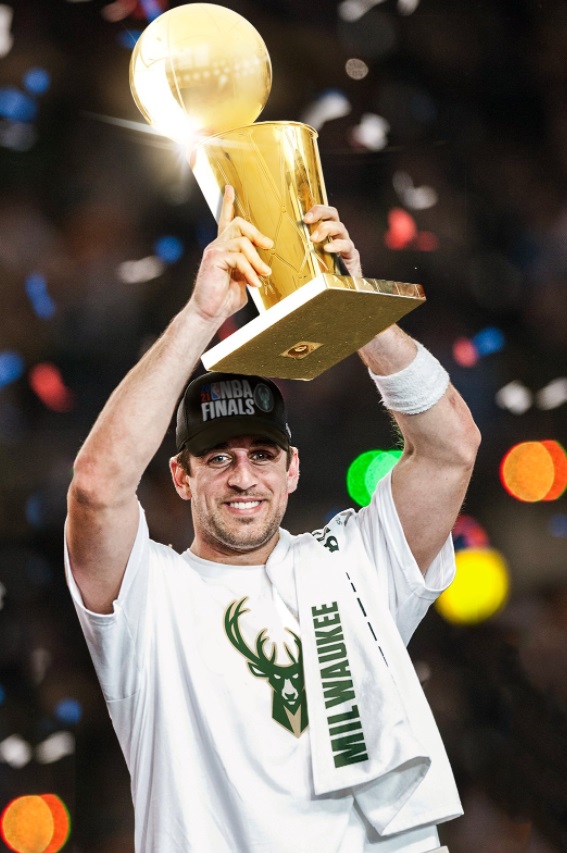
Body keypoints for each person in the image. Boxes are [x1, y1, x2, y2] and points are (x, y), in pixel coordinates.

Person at [65, 185, 480, 853]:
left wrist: (354, 312)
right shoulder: (149, 596)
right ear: (180, 476)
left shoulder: (353, 561)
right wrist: (203, 314)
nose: (242, 476)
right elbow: (96, 485)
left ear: (290, 469)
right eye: (216, 457)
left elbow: (450, 446)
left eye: (261, 453)